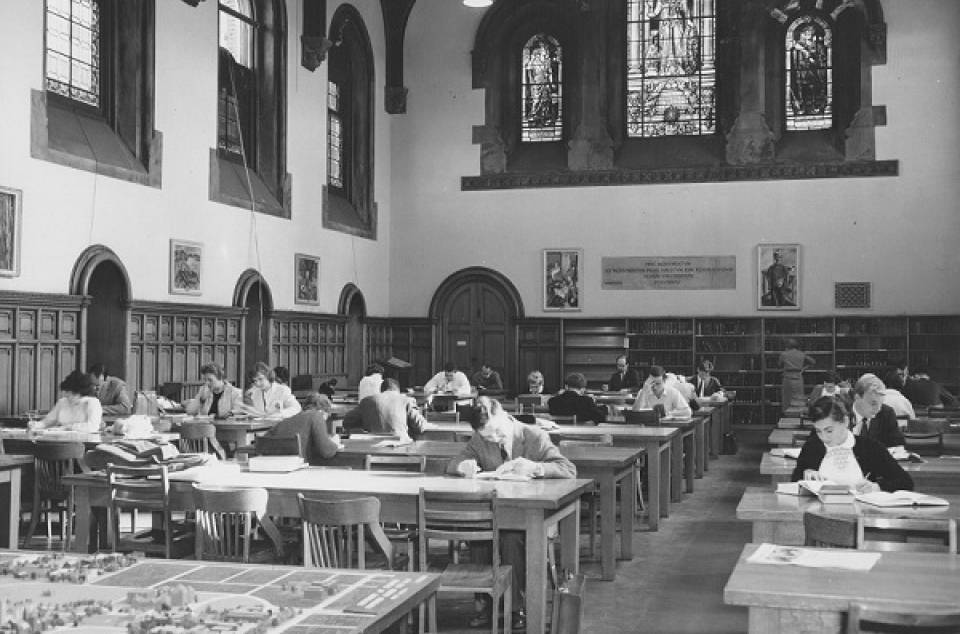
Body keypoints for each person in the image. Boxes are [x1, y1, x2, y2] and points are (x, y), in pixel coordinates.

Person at [447, 397, 576, 631]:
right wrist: (462, 466)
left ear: (505, 417)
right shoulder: (480, 438)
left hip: (532, 514)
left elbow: (568, 469)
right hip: (497, 511)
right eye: (487, 437)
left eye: (496, 433)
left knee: (509, 538)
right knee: (479, 532)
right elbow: (455, 461)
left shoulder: (532, 435)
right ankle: (486, 603)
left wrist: (536, 467)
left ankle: (514, 607)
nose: (494, 439)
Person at [792, 395, 912, 493]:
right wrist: (804, 477)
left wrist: (878, 487)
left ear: (845, 421)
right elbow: (794, 483)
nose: (824, 437)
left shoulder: (870, 447)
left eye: (829, 431)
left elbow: (905, 482)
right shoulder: (811, 447)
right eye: (818, 431)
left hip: (862, 514)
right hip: (819, 514)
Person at [260, 392, 340, 464]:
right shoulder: (317, 415)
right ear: (322, 412)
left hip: (273, 469)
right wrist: (335, 443)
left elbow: (262, 442)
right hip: (300, 470)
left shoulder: (285, 422)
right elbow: (326, 451)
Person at [341, 378, 428, 440]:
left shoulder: (367, 401)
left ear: (381, 390)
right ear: (398, 390)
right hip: (399, 446)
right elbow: (420, 426)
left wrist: (365, 421)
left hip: (372, 448)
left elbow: (347, 422)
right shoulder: (406, 400)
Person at [30, 370, 102, 433]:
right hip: (61, 440)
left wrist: (67, 427)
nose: (66, 395)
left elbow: (92, 427)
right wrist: (35, 425)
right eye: (66, 392)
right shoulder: (62, 402)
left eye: (69, 393)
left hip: (84, 442)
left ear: (79, 393)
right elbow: (47, 422)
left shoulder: (92, 403)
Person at [849, 374, 904, 448]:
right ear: (857, 398)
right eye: (873, 403)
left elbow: (897, 446)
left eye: (881, 403)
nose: (878, 409)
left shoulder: (887, 414)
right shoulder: (841, 413)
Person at [778, 339, 815, 413]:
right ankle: (798, 416)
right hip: (798, 377)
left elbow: (779, 365)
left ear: (787, 345)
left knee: (787, 398)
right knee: (799, 398)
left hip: (787, 377)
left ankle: (786, 416)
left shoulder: (784, 354)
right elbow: (813, 362)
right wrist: (803, 369)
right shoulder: (801, 354)